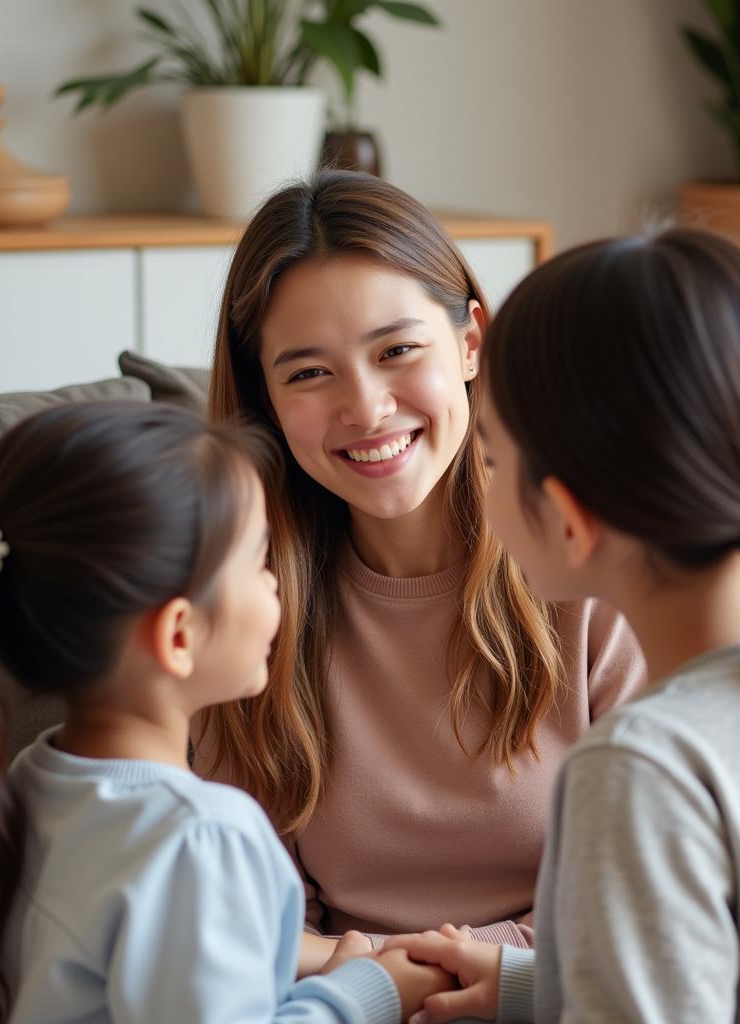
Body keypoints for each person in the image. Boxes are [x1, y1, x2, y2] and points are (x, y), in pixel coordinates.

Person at [382, 229, 740, 1023]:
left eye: (495, 456)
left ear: (570, 519)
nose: (483, 481)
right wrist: (530, 986)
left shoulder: (637, 768)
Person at [195, 170, 646, 968]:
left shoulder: (596, 569)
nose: (365, 408)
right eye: (308, 372)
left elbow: (656, 901)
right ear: (264, 397)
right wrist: (373, 978)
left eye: (397, 351)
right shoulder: (245, 606)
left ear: (471, 342)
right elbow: (241, 915)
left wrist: (486, 968)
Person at [0, 401, 451, 1023]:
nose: (277, 581)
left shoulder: (27, 783)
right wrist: (364, 993)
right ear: (178, 635)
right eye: (258, 562)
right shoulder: (201, 838)